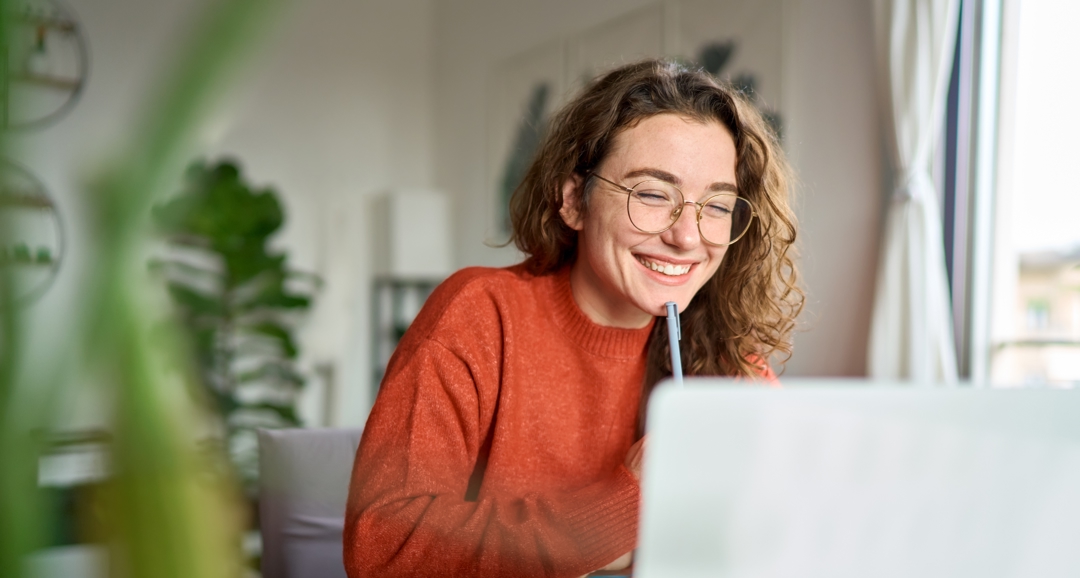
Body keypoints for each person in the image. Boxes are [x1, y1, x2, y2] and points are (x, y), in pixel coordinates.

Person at [343, 59, 802, 578]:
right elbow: (384, 551)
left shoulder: (728, 364)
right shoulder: (479, 315)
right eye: (652, 194)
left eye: (716, 206)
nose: (687, 237)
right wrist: (622, 508)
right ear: (573, 201)